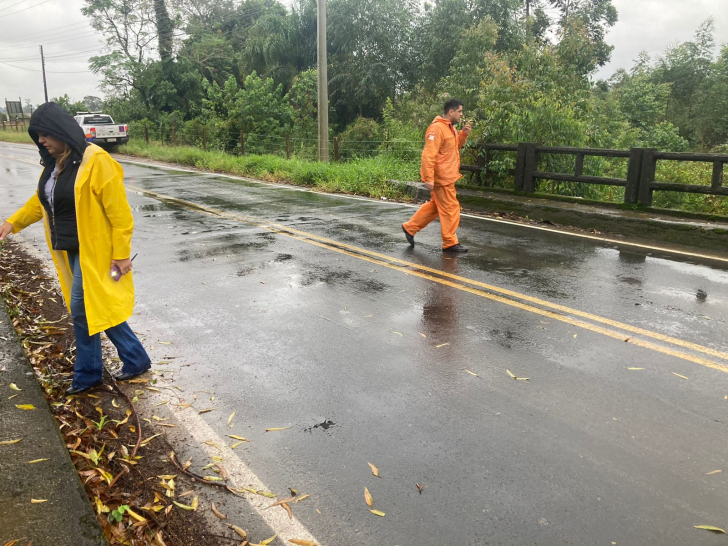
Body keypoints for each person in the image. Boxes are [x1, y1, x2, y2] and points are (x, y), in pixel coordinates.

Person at [0, 102, 151, 395]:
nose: (41, 141)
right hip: (68, 247)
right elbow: (41, 201)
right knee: (92, 308)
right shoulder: (55, 164)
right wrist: (12, 223)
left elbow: (120, 215)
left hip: (95, 250)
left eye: (45, 134)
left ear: (62, 131)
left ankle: (88, 374)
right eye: (38, 136)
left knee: (82, 310)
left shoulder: (96, 161)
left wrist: (121, 254)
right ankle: (136, 359)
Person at [402, 98, 471, 253]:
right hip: (441, 177)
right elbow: (428, 155)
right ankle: (450, 242)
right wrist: (428, 178)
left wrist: (463, 135)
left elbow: (454, 148)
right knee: (451, 208)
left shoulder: (450, 128)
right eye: (459, 111)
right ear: (451, 111)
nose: (461, 115)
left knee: (435, 206)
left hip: (448, 176)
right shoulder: (437, 129)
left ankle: (410, 228)